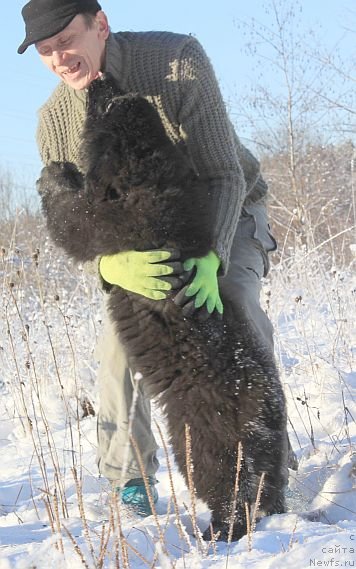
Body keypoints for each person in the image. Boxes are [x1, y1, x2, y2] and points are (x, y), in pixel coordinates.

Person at [19, 0, 295, 516]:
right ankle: (132, 480)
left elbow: (223, 173)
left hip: (227, 214)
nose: (60, 57)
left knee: (232, 303)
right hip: (136, 249)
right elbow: (72, 217)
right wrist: (104, 266)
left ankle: (266, 465)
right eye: (46, 50)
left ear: (100, 25)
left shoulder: (174, 61)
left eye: (67, 40)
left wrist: (210, 257)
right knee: (118, 350)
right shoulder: (53, 123)